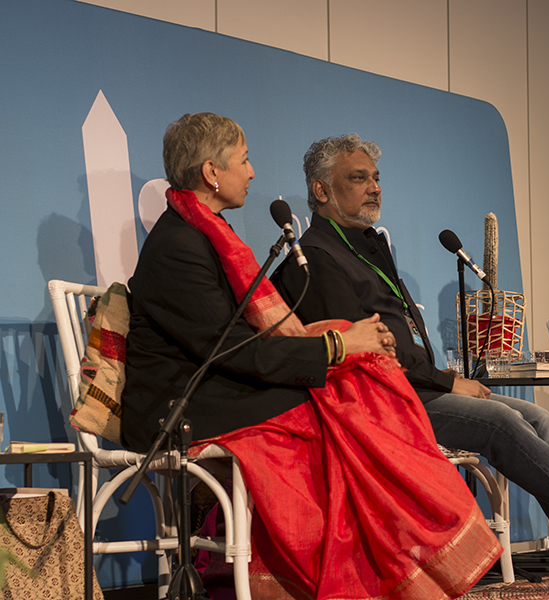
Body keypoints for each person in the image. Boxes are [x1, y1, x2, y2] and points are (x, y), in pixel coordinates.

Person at [271, 134, 549, 591]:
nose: (374, 187)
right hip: (383, 401)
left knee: (539, 417)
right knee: (500, 421)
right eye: (358, 178)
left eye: (377, 178)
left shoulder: (363, 245)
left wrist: (443, 380)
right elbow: (366, 349)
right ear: (321, 190)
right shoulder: (318, 259)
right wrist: (446, 382)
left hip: (414, 388)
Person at [121, 113, 505, 600]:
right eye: (244, 160)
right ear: (211, 172)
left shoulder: (206, 232)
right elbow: (232, 349)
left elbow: (244, 344)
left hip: (219, 386)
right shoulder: (180, 245)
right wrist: (341, 345)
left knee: (354, 386)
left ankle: (399, 556)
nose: (253, 172)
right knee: (338, 410)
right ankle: (369, 566)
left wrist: (345, 343)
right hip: (181, 406)